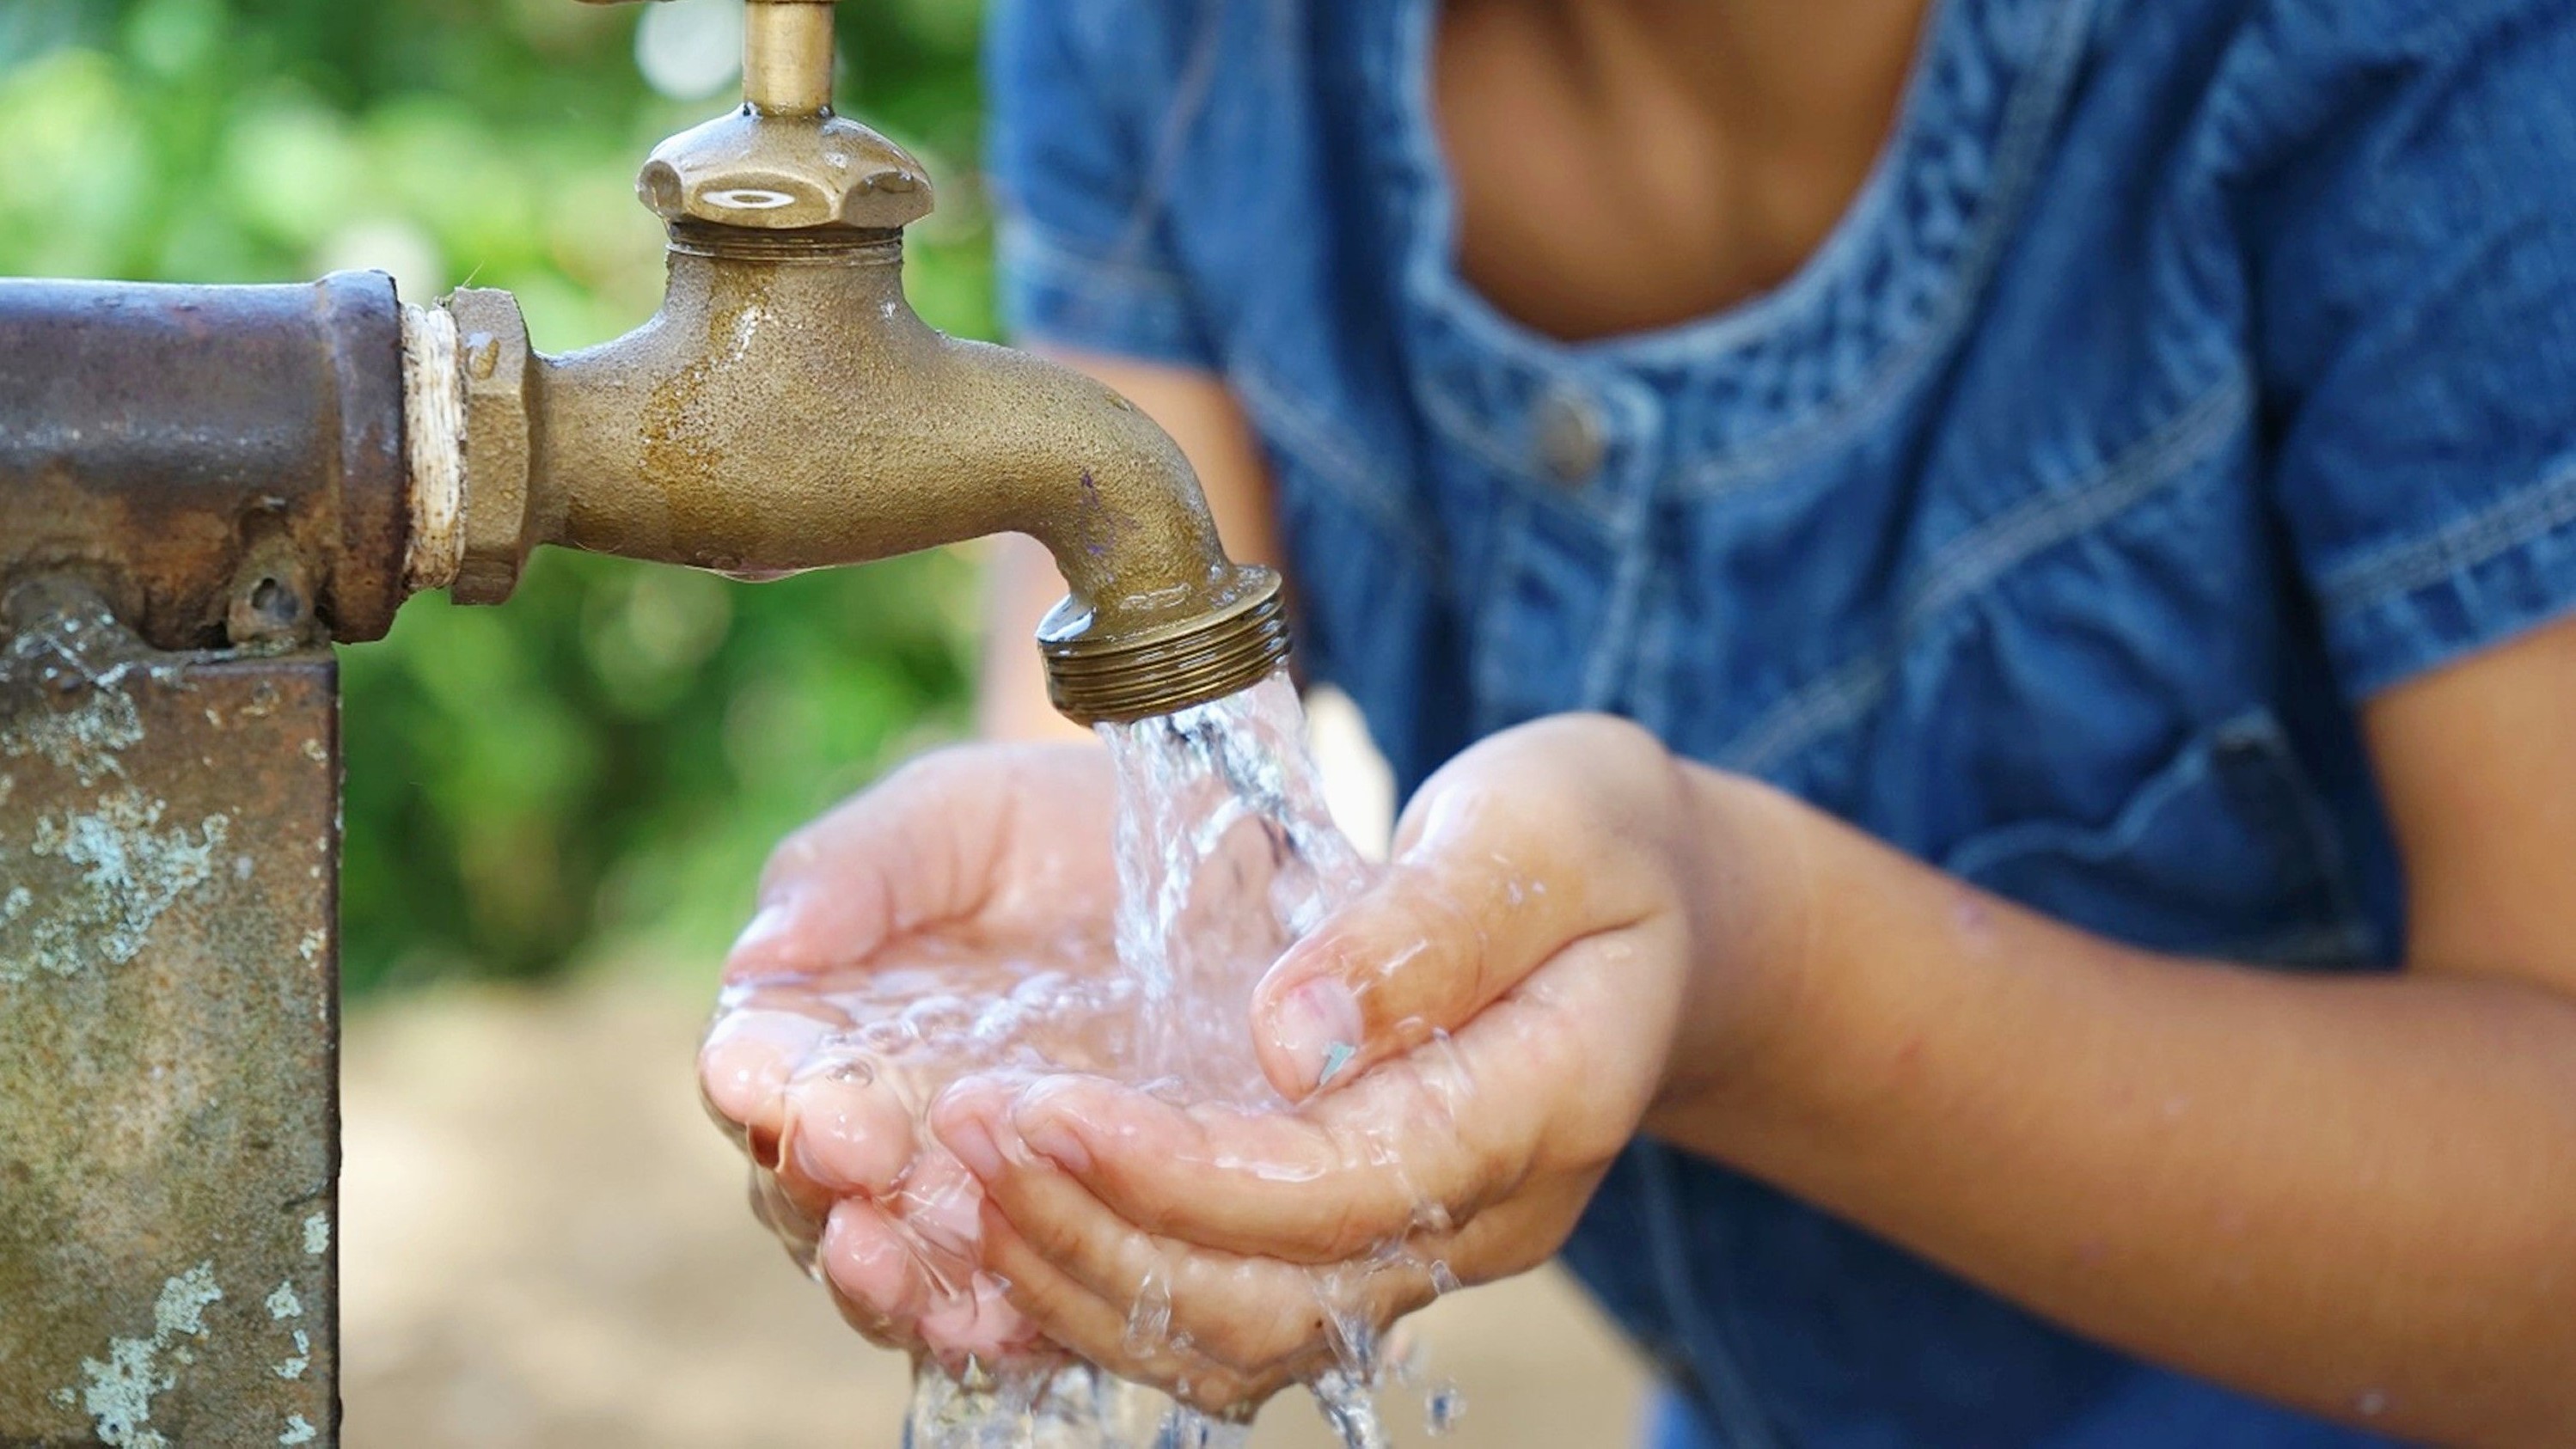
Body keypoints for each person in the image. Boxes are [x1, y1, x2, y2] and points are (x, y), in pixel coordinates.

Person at [702, 0, 2576, 1442]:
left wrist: (1757, 975)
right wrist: (1055, 1013)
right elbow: (1140, 709)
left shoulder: (2407, 66)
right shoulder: (1174, 37)